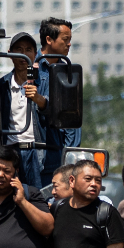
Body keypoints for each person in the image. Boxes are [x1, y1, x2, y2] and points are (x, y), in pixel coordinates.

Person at [0, 30, 46, 192]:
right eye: (19, 49)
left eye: (28, 50)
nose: (23, 54)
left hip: (37, 151)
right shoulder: (1, 85)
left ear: (35, 54)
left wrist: (39, 99)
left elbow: (54, 111)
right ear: (10, 54)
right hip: (10, 151)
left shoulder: (45, 81)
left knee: (38, 196)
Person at [36, 17, 79, 187]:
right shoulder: (29, 67)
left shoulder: (69, 73)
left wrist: (69, 159)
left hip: (55, 158)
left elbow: (72, 122)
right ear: (49, 39)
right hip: (28, 155)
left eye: (70, 40)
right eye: (65, 39)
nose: (69, 44)